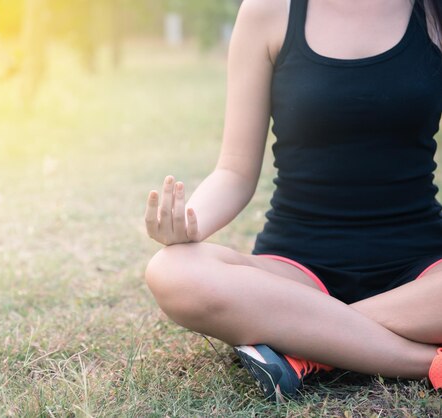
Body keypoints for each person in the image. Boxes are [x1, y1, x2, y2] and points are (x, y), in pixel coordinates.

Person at [143, 0, 442, 402]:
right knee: (173, 271)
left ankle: (301, 344)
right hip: (297, 270)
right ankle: (422, 362)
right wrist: (192, 221)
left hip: (421, 268)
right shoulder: (267, 11)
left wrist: (294, 321)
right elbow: (234, 171)